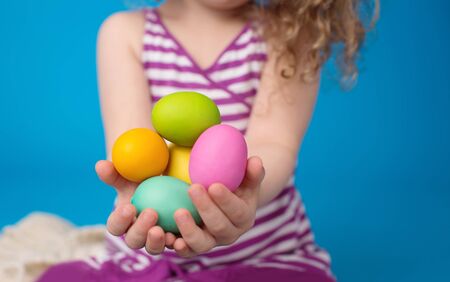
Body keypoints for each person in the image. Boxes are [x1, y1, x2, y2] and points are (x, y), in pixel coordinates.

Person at [38, 0, 377, 281]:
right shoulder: (126, 32)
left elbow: (275, 143)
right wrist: (144, 200)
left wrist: (243, 194)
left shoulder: (290, 37)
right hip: (146, 255)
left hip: (265, 256)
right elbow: (135, 150)